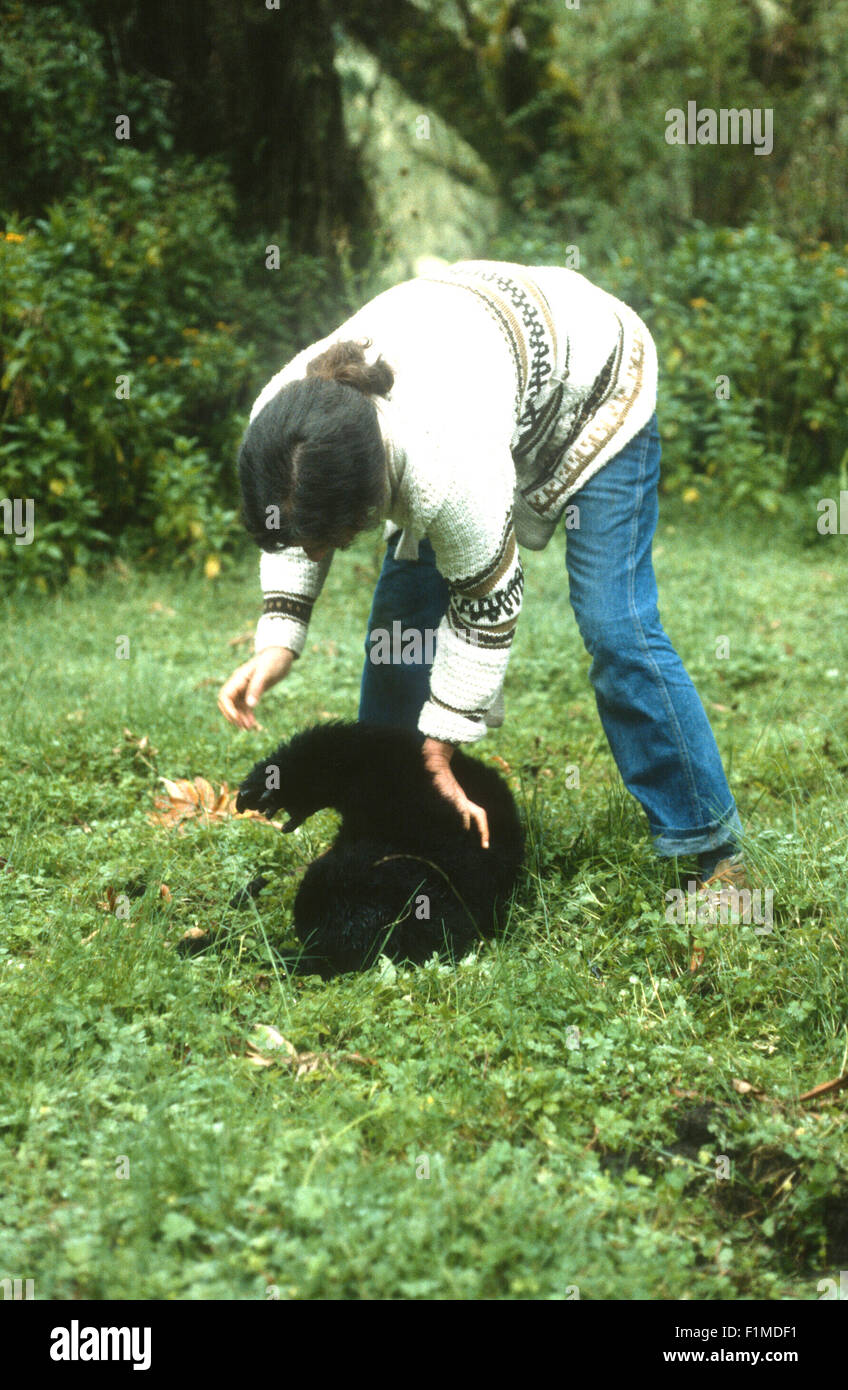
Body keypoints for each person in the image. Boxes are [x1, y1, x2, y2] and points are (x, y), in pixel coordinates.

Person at [219, 259, 746, 886]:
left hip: (598, 383)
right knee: (399, 624)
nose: (310, 555)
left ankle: (709, 850)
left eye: (327, 543)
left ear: (373, 492)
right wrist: (280, 638)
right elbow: (291, 523)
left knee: (617, 624)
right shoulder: (283, 425)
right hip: (484, 367)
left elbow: (488, 605)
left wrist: (442, 742)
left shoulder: (448, 466)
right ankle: (385, 832)